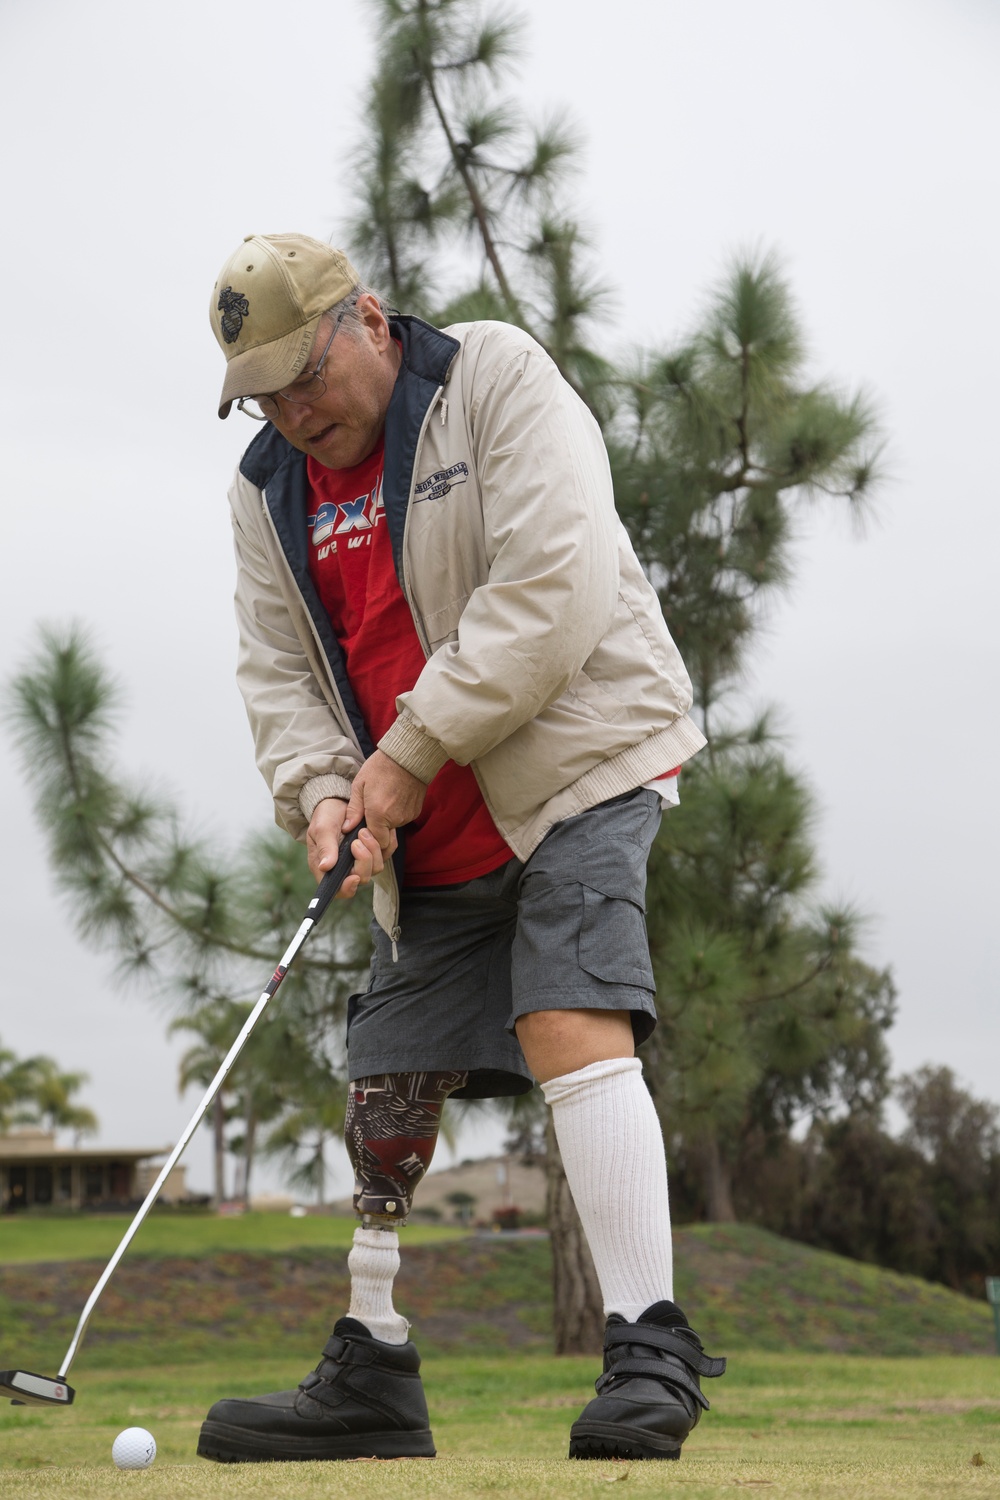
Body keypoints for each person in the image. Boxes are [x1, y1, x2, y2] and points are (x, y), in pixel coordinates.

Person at [197, 232, 725, 1465]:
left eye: (303, 374)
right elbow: (277, 675)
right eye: (262, 390)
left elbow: (554, 585)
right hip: (421, 805)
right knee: (387, 1076)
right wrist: (324, 794)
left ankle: (648, 1341)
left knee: (565, 1007)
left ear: (367, 320)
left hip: (578, 759)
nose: (291, 408)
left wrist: (409, 747)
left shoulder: (493, 378)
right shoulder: (263, 486)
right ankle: (374, 1365)